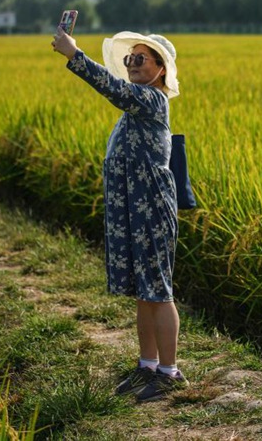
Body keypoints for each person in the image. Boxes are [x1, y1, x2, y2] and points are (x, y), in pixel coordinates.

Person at [51, 27, 188, 402]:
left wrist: (74, 54)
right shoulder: (136, 108)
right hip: (132, 210)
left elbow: (113, 88)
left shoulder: (151, 100)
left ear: (161, 68)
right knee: (144, 291)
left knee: (158, 290)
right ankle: (148, 365)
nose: (132, 64)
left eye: (140, 58)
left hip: (151, 209)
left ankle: (170, 373)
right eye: (129, 58)